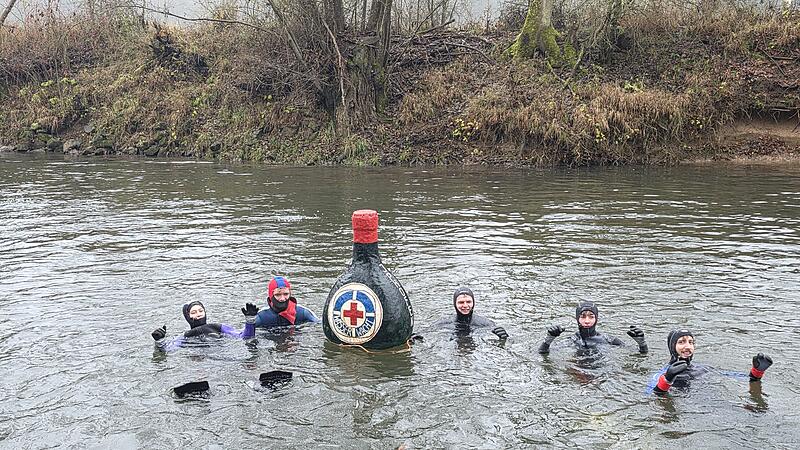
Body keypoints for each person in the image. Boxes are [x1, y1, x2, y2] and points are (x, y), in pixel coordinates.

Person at [649, 329, 773, 394]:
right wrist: (668, 380)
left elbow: (738, 377)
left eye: (691, 342)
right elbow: (651, 396)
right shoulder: (663, 374)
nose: (688, 346)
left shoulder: (703, 368)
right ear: (672, 347)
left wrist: (757, 372)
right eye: (681, 342)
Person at [538, 301, 648, 354]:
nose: (587, 321)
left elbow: (639, 353)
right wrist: (549, 339)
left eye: (591, 316)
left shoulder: (608, 339)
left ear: (596, 319)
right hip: (577, 374)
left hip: (602, 374)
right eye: (583, 316)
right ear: (577, 319)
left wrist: (642, 343)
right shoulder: (573, 340)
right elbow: (543, 353)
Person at [151, 300, 258, 351]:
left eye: (201, 311)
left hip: (223, 354)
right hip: (198, 360)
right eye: (193, 312)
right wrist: (159, 341)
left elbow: (244, 337)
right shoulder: (185, 336)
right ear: (188, 317)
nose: (198, 314)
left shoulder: (218, 327)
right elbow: (168, 349)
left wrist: (250, 321)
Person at [431, 287, 508, 340]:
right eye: (461, 302)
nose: (465, 305)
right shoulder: (443, 323)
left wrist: (503, 337)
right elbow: (428, 332)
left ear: (473, 303)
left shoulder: (486, 323)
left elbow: (497, 332)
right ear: (455, 304)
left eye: (468, 302)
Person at [254, 276, 320, 328]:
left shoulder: (303, 313)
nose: (282, 299)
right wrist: (250, 321)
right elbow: (248, 337)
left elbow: (321, 325)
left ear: (290, 294)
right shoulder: (262, 316)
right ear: (271, 296)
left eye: (286, 294)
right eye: (278, 295)